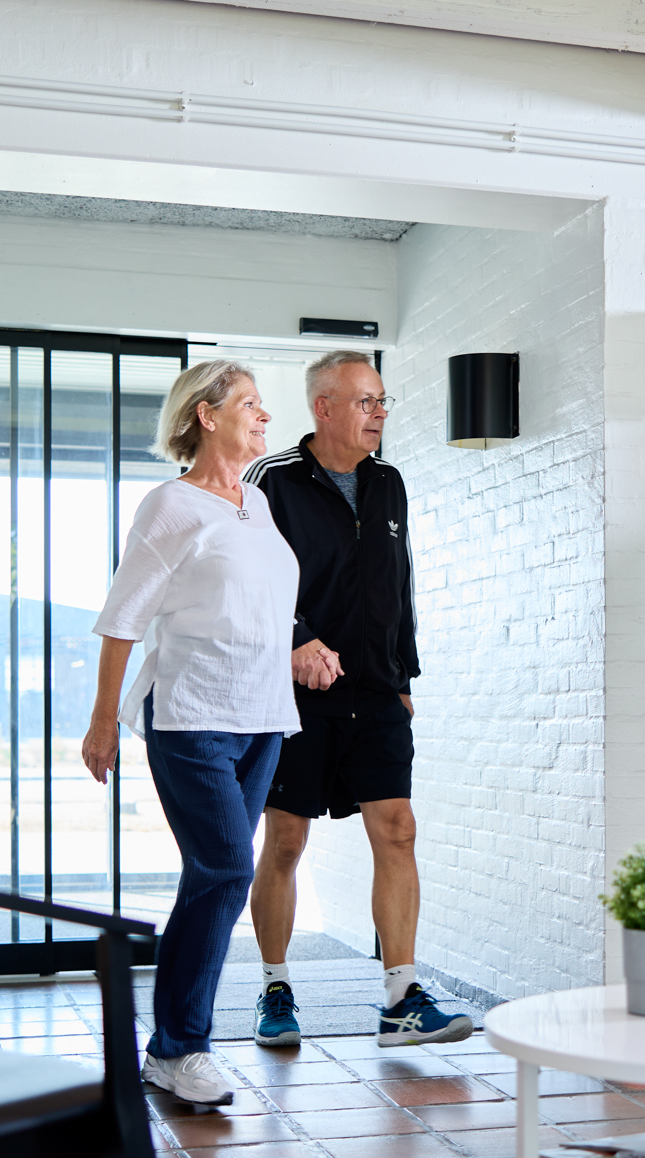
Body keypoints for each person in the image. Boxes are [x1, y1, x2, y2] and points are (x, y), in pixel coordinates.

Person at [81, 359, 307, 1107]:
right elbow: (123, 618)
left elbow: (258, 606)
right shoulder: (170, 505)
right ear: (207, 416)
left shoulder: (256, 504)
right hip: (191, 715)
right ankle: (181, 1047)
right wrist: (104, 721)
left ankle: (169, 1049)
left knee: (211, 877)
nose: (265, 416)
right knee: (228, 870)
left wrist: (298, 648)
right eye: (250, 404)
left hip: (262, 718)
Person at [241, 349, 473, 1048]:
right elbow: (246, 578)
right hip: (295, 695)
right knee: (286, 840)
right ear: (325, 408)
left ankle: (400, 996)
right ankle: (275, 987)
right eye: (366, 401)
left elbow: (399, 583)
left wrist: (403, 678)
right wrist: (296, 640)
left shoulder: (387, 482)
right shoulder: (272, 479)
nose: (379, 414)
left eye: (381, 402)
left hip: (375, 692)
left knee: (397, 829)